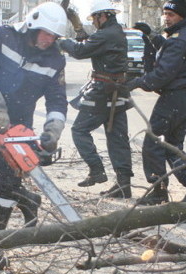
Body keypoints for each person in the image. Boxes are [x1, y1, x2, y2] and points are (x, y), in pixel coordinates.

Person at [0, 2, 68, 270]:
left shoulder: (55, 59)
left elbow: (57, 98)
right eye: (46, 33)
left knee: (6, 184)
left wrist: (53, 130)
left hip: (19, 130)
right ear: (32, 25)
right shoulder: (3, 36)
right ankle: (29, 200)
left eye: (54, 36)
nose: (49, 40)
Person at [125, 0, 186, 205]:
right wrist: (152, 36)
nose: (166, 18)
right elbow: (171, 51)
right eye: (165, 13)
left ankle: (158, 192)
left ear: (181, 15)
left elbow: (162, 74)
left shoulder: (179, 39)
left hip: (173, 98)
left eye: (171, 14)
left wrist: (136, 82)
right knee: (172, 146)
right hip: (185, 98)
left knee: (153, 144)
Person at [58, 0, 134, 198]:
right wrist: (80, 32)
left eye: (94, 18)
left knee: (79, 130)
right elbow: (92, 44)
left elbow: (80, 51)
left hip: (103, 91)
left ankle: (96, 169)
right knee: (117, 138)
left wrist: (60, 39)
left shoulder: (107, 34)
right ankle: (123, 185)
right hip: (116, 91)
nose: (95, 22)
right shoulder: (114, 31)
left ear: (103, 16)